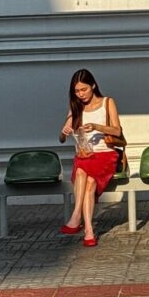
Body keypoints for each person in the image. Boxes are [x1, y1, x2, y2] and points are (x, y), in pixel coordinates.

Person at [58, 68, 125, 247]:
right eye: (77, 91)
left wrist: (97, 126)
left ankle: (76, 218)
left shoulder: (107, 102)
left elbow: (117, 130)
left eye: (84, 90)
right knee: (84, 176)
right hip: (84, 154)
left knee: (85, 176)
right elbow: (62, 138)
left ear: (93, 85)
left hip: (105, 154)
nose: (80, 94)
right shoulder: (76, 107)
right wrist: (64, 131)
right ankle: (88, 230)